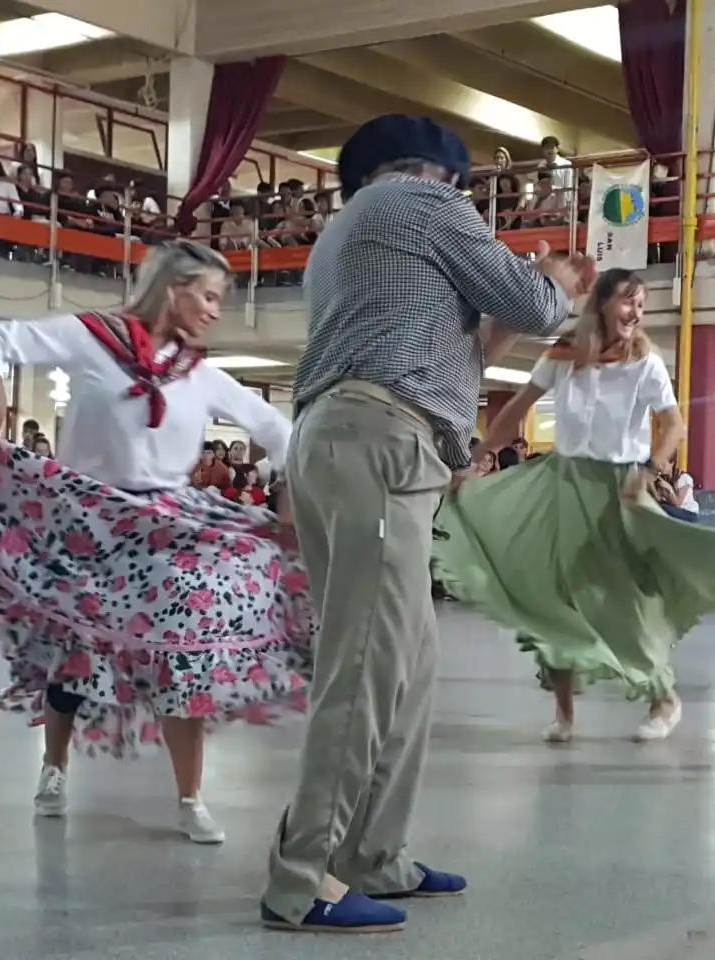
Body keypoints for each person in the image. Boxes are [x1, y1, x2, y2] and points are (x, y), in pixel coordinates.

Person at [261, 115, 595, 935]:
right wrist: (554, 280)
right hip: (380, 440)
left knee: (406, 662)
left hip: (350, 438)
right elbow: (533, 305)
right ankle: (303, 877)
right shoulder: (421, 202)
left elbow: (461, 353)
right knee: (369, 662)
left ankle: (373, 854)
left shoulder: (344, 235)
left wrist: (522, 304)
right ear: (440, 174)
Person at [0, 240, 313, 844]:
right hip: (87, 518)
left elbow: (277, 428)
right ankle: (54, 766)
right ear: (173, 289)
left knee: (182, 656)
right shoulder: (92, 339)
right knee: (74, 650)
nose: (215, 311)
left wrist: (288, 487)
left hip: (165, 525)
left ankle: (190, 797)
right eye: (209, 296)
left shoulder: (199, 374)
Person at [436, 269, 715, 744]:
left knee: (618, 599)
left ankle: (663, 697)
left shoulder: (645, 362)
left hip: (619, 488)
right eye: (628, 301)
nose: (635, 313)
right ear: (602, 304)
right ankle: (563, 711)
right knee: (550, 594)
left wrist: (650, 469)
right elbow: (516, 410)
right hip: (561, 483)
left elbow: (674, 425)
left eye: (642, 305)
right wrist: (475, 458)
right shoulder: (564, 354)